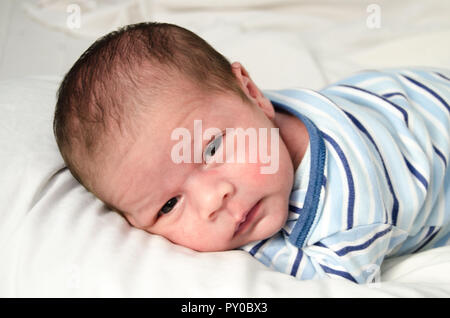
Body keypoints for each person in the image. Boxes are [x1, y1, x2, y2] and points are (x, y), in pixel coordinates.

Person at [53, 22, 450, 284]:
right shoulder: (238, 119)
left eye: (210, 148)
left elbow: (331, 287)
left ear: (253, 93)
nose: (212, 199)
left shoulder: (344, 208)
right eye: (169, 205)